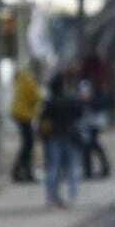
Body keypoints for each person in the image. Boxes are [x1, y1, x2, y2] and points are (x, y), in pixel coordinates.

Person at [41, 70, 80, 208]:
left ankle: (51, 196)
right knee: (72, 167)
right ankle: (73, 195)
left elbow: (43, 120)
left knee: (53, 167)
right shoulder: (71, 100)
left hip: (53, 137)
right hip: (69, 135)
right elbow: (78, 114)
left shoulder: (49, 102)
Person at [9, 60, 43, 183]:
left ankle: (19, 171)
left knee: (27, 144)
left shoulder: (23, 78)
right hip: (24, 115)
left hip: (20, 114)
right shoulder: (29, 80)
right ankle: (23, 172)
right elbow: (37, 96)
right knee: (28, 144)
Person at [74, 78, 112, 179]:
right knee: (87, 147)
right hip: (85, 127)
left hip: (94, 126)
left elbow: (100, 112)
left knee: (94, 145)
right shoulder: (79, 103)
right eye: (82, 93)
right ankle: (88, 170)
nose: (84, 95)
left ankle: (104, 168)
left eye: (86, 92)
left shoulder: (95, 101)